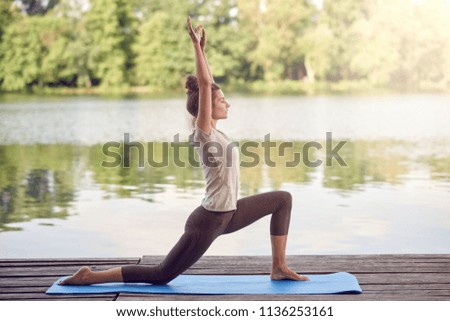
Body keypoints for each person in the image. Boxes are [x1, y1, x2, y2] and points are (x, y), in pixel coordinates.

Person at [59, 17, 308, 286]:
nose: (228, 104)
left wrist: (203, 50)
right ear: (207, 108)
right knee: (161, 275)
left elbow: (208, 84)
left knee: (283, 199)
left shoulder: (217, 131)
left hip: (230, 214)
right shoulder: (204, 133)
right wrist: (194, 45)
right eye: (222, 101)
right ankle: (90, 276)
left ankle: (279, 267)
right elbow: (204, 86)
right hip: (208, 221)